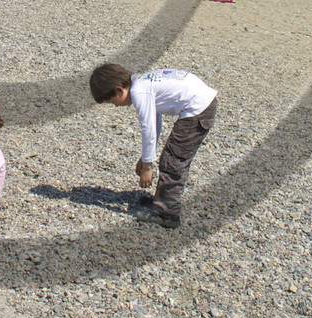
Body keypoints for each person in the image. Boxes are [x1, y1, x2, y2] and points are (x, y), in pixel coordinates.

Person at [89, 63, 218, 230]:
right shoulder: (141, 82)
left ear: (119, 90)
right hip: (201, 103)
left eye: (113, 101)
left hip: (198, 109)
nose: (116, 106)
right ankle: (161, 201)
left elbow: (148, 128)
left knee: (173, 160)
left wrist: (147, 166)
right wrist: (145, 158)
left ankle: (167, 213)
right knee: (171, 156)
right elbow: (155, 123)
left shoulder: (139, 92)